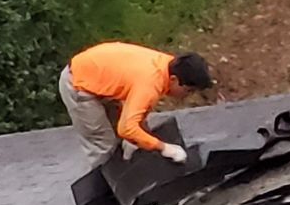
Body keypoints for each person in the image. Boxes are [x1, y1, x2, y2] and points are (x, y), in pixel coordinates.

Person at [60, 41, 216, 167]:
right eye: (188, 91)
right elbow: (127, 128)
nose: (187, 96)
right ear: (174, 80)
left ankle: (131, 185)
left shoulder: (167, 66)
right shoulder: (151, 82)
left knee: (135, 137)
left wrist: (146, 142)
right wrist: (164, 148)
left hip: (98, 79)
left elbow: (136, 123)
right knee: (104, 146)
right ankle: (108, 200)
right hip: (78, 83)